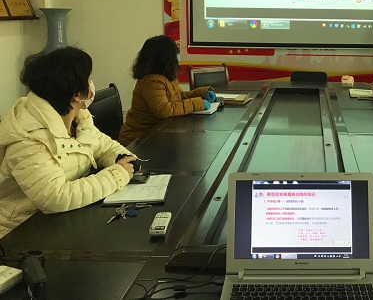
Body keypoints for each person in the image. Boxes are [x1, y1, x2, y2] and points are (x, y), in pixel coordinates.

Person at [0, 47, 135, 238]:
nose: (91, 84)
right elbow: (55, 197)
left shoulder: (77, 117)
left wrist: (122, 158)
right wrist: (117, 175)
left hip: (63, 222)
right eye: (88, 79)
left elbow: (100, 144)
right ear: (77, 95)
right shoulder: (27, 138)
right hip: (21, 235)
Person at [118, 35, 216, 146]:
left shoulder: (166, 77)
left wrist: (202, 93)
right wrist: (197, 103)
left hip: (155, 136)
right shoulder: (152, 82)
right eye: (176, 53)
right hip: (137, 141)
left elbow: (179, 96)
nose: (178, 56)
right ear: (165, 58)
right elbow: (164, 110)